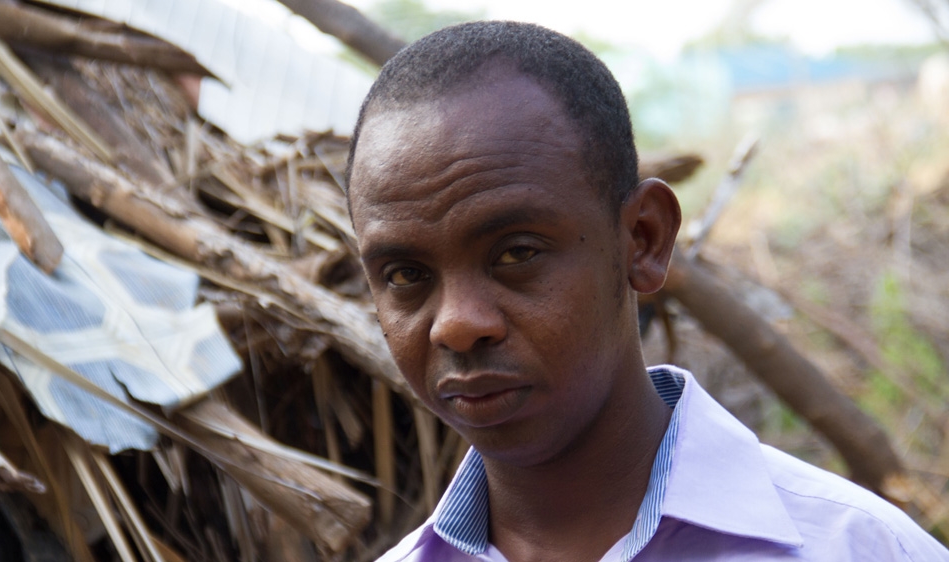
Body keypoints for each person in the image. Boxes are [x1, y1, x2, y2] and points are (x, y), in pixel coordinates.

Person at [345, 20, 949, 562]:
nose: (456, 324)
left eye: (516, 254)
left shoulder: (857, 548)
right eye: (405, 276)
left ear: (643, 240)